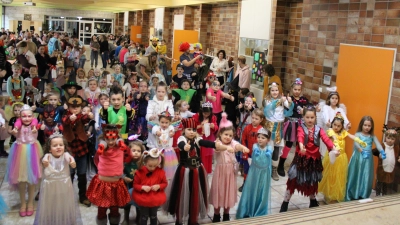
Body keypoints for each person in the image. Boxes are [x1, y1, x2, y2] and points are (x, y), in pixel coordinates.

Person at [165, 118, 230, 225]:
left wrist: (215, 145)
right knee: (181, 195)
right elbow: (181, 144)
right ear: (184, 130)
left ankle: (193, 219)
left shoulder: (197, 139)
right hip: (184, 171)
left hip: (197, 171)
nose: (192, 132)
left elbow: (205, 142)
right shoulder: (182, 138)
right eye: (189, 129)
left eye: (194, 129)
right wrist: (184, 147)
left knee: (195, 195)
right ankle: (179, 219)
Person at [280, 105, 337, 213]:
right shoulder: (301, 128)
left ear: (315, 117)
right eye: (307, 117)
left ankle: (313, 201)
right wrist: (301, 146)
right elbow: (300, 137)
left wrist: (333, 148)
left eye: (312, 117)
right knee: (293, 180)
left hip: (314, 160)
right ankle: (285, 202)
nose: (310, 120)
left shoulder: (319, 129)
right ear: (303, 117)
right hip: (301, 159)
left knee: (312, 181)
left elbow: (326, 139)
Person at [87, 124, 133, 225]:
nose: (111, 142)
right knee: (102, 209)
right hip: (102, 184)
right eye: (108, 139)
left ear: (117, 138)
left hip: (116, 185)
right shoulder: (101, 148)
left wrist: (124, 147)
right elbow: (96, 161)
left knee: (115, 208)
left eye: (113, 139)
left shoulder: (121, 148)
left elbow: (128, 158)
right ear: (104, 139)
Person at [33, 134, 83, 225]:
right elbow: (44, 161)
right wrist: (45, 163)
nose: (58, 147)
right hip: (50, 187)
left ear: (65, 146)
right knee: (50, 206)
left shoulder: (66, 155)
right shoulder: (47, 156)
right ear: (49, 148)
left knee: (64, 205)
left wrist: (72, 162)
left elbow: (72, 162)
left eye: (61, 145)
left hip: (64, 186)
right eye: (55, 146)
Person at [210, 113, 249, 222]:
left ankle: (226, 214)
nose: (228, 137)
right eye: (226, 135)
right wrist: (227, 148)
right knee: (219, 193)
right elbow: (218, 148)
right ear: (220, 135)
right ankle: (216, 215)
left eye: (230, 135)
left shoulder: (232, 143)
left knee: (228, 193)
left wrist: (243, 147)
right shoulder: (217, 142)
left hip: (230, 173)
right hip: (220, 173)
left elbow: (237, 145)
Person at [318, 113, 366, 202]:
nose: (336, 127)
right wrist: (336, 145)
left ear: (342, 127)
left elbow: (351, 136)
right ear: (332, 124)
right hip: (332, 157)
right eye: (334, 125)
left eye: (338, 126)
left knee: (339, 177)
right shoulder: (330, 131)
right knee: (330, 176)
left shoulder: (343, 132)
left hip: (341, 158)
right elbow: (334, 138)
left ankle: (335, 195)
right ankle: (328, 194)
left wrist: (358, 140)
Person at [5, 105, 43, 217]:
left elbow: (36, 125)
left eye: (29, 116)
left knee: (32, 179)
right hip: (19, 152)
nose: (26, 118)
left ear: (33, 116)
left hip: (33, 151)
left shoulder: (35, 123)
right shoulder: (17, 124)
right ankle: (23, 203)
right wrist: (14, 131)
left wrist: (36, 127)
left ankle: (30, 202)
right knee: (21, 179)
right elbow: (15, 128)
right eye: (24, 116)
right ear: (20, 117)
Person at [62, 96, 94, 207]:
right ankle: (67, 197)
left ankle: (83, 196)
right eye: (72, 107)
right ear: (68, 107)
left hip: (82, 149)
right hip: (70, 150)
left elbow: (85, 118)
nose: (75, 109)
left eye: (77, 107)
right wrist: (70, 119)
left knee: (82, 175)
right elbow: (65, 121)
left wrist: (89, 116)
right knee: (69, 174)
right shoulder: (65, 116)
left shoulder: (81, 116)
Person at [236, 128, 273, 219]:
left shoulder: (269, 148)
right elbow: (255, 151)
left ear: (268, 140)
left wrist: (268, 153)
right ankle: (248, 210)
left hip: (264, 173)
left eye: (263, 138)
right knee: (251, 189)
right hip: (254, 173)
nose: (260, 139)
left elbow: (270, 152)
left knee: (262, 190)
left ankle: (259, 210)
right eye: (259, 137)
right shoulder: (255, 146)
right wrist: (256, 152)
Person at [345, 116, 383, 201]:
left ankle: (363, 193)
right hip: (358, 158)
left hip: (368, 159)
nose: (367, 127)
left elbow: (378, 144)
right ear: (361, 125)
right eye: (365, 125)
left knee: (366, 175)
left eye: (369, 126)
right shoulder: (358, 134)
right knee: (356, 174)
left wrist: (382, 152)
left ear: (371, 126)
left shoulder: (372, 136)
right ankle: (353, 193)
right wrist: (361, 151)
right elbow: (356, 143)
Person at [263, 82, 293, 180]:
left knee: (276, 148)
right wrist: (280, 101)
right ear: (269, 91)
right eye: (273, 90)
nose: (275, 92)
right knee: (267, 147)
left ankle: (274, 169)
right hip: (269, 127)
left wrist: (289, 102)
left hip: (279, 127)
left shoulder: (282, 99)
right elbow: (269, 109)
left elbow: (288, 111)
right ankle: (265, 168)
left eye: (276, 90)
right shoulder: (267, 100)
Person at [280, 78, 308, 176]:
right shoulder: (289, 99)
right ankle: (281, 164)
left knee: (300, 145)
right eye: (295, 89)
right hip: (291, 124)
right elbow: (288, 108)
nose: (297, 91)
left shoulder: (304, 100)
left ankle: (296, 165)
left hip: (301, 125)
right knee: (288, 144)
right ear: (292, 89)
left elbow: (308, 108)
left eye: (299, 90)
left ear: (301, 90)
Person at [133, 148, 168, 225]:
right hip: (143, 198)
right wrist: (142, 187)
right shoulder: (140, 172)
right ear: (145, 163)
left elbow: (165, 183)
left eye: (155, 166)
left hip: (155, 198)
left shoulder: (160, 172)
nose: (152, 168)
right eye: (150, 166)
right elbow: (135, 185)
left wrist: (159, 186)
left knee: (153, 215)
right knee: (144, 216)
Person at [239, 108, 266, 192]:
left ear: (261, 120)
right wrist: (244, 151)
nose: (254, 120)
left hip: (257, 155)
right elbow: (243, 139)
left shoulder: (262, 130)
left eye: (256, 119)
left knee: (256, 170)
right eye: (253, 118)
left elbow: (264, 143)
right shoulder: (247, 128)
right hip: (248, 153)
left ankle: (255, 185)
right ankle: (245, 183)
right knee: (246, 169)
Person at [372, 126, 400, 196]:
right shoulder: (382, 146)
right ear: (385, 137)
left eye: (392, 139)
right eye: (388, 138)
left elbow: (397, 155)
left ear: (395, 139)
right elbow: (374, 151)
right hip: (381, 169)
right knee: (380, 181)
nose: (390, 140)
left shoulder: (396, 148)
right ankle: (378, 194)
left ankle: (384, 194)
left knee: (386, 183)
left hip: (390, 169)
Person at [193, 102, 218, 174]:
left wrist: (213, 126)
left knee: (208, 153)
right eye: (204, 113)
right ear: (201, 111)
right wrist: (200, 125)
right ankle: (200, 170)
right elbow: (192, 127)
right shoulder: (196, 116)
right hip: (199, 137)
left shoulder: (213, 117)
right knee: (200, 153)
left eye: (208, 113)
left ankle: (207, 170)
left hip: (209, 137)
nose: (206, 115)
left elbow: (216, 127)